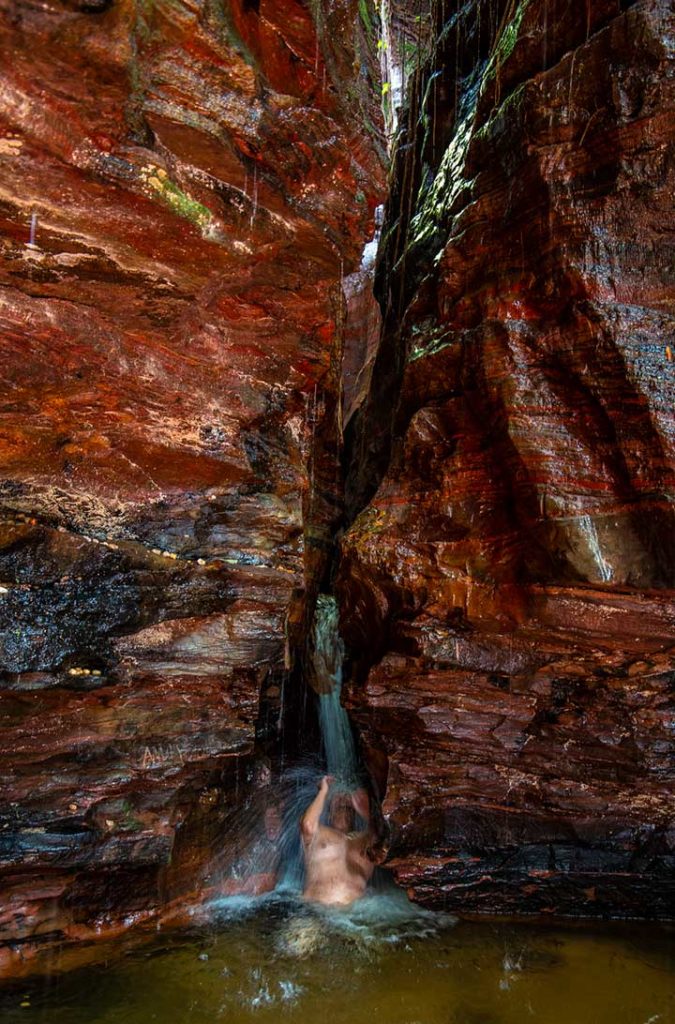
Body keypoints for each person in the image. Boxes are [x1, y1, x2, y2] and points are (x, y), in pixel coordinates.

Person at [300, 774, 384, 906]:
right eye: (337, 797)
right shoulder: (318, 833)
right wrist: (323, 792)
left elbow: (384, 838)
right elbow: (307, 824)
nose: (343, 800)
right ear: (329, 808)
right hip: (314, 912)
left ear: (355, 809)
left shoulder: (366, 839)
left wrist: (367, 812)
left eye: (347, 798)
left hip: (355, 918)